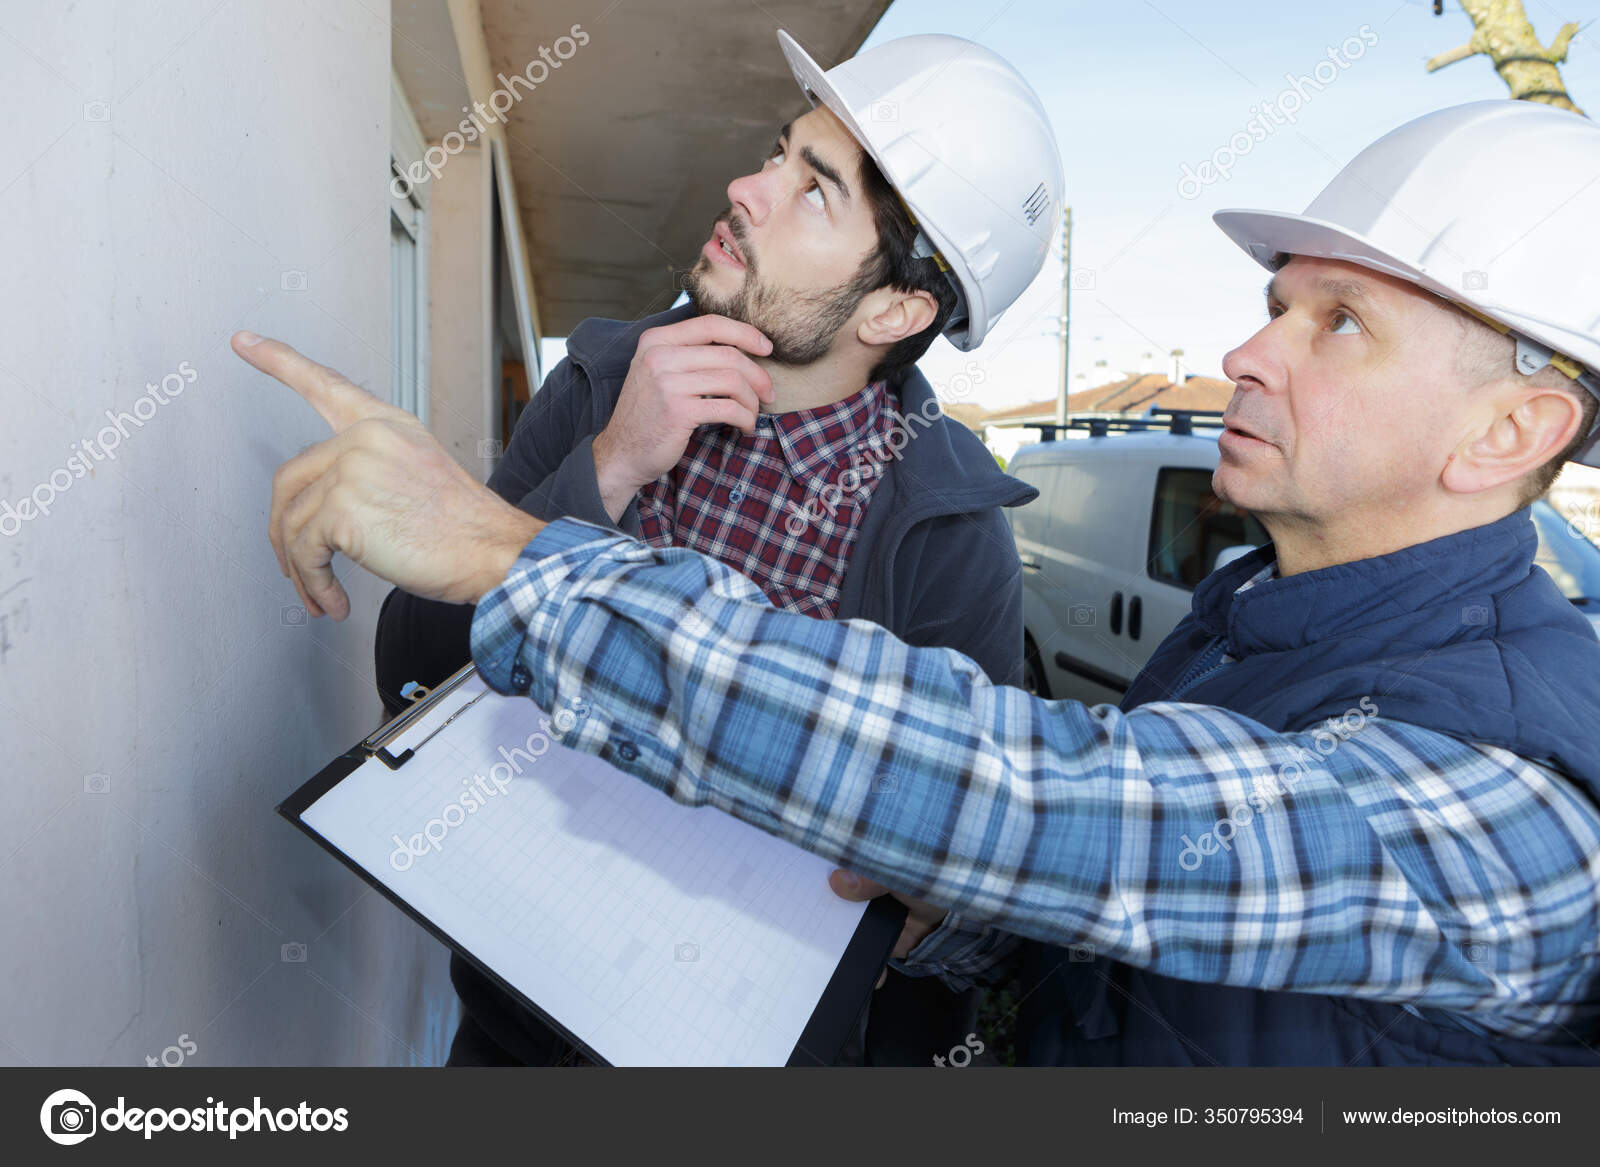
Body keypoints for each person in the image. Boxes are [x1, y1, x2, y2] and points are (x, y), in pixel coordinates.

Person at [239, 99, 1600, 1066]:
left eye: (1339, 322)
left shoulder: (1519, 800)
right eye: (1277, 306)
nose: (1246, 355)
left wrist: (513, 552)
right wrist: (944, 922)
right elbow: (1084, 936)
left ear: (1510, 434)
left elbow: (1045, 801)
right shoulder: (1243, 633)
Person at [370, 30, 1064, 1066]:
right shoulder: (600, 387)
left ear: (896, 308)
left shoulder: (950, 537)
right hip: (514, 1041)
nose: (747, 187)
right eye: (778, 154)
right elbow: (411, 670)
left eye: (814, 190)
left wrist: (930, 903)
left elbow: (977, 896)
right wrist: (605, 470)